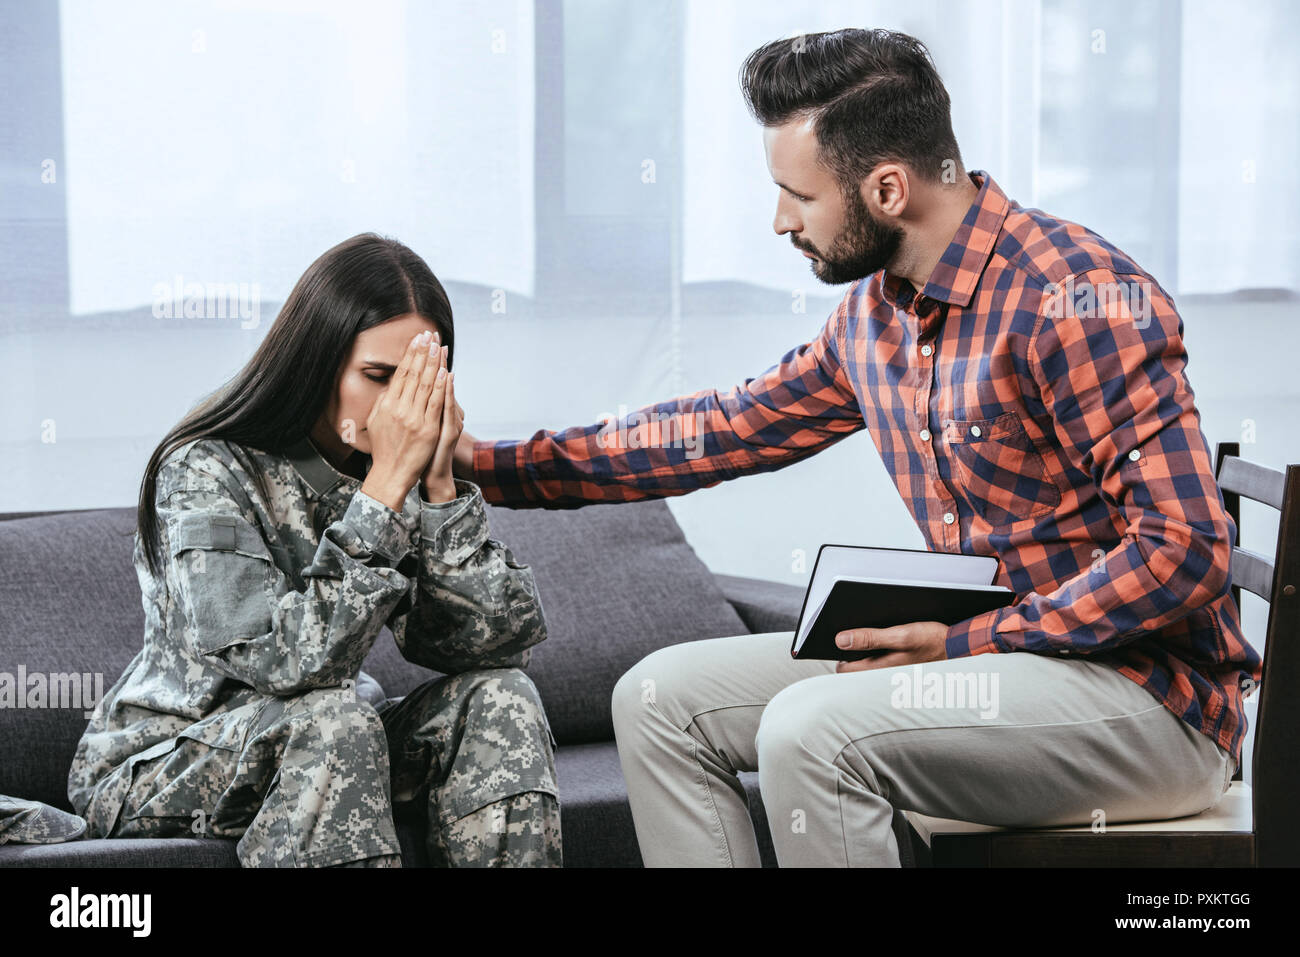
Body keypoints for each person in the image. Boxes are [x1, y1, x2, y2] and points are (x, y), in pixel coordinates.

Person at [451, 28, 1262, 866]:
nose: (779, 221)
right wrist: (485, 463)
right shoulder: (876, 318)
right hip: (1001, 666)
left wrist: (964, 644)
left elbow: (1185, 550)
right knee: (657, 697)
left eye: (796, 195)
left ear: (886, 188)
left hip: (1150, 706)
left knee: (813, 729)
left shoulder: (1079, 297)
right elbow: (718, 428)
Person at [67, 233, 561, 868]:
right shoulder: (203, 468)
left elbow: (490, 647)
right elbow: (284, 665)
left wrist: (439, 490)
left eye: (418, 384)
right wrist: (383, 495)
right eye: (378, 377)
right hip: (161, 761)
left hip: (322, 736)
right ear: (316, 361)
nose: (398, 409)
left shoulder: (393, 465)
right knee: (335, 718)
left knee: (501, 696)